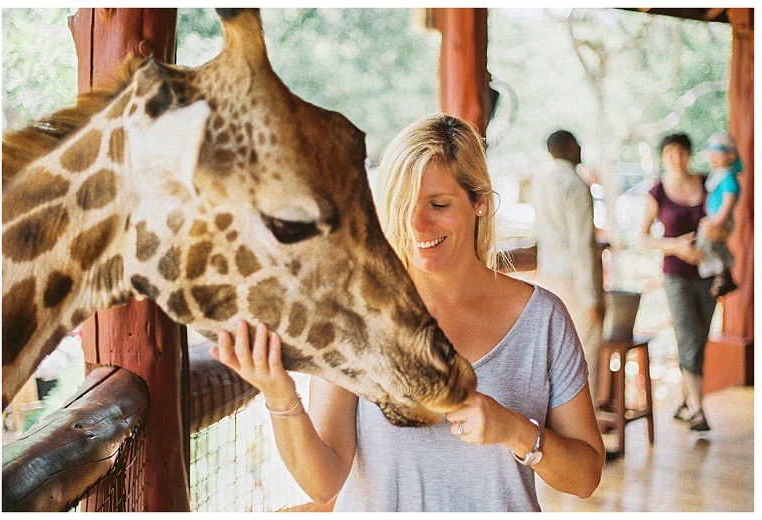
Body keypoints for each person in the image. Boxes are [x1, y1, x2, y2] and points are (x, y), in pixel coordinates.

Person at [211, 114, 605, 511]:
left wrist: (515, 430)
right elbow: (323, 482)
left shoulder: (542, 320)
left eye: (438, 204)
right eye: (403, 205)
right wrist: (280, 395)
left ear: (480, 201)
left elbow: (586, 477)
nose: (417, 224)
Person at [639, 133, 722, 432]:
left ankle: (687, 400)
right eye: (670, 152)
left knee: (700, 337)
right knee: (688, 336)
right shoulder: (657, 192)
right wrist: (675, 246)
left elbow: (726, 225)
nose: (676, 157)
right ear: (664, 156)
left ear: (689, 154)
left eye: (681, 151)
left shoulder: (707, 181)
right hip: (676, 275)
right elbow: (642, 238)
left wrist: (717, 234)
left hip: (709, 272)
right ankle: (699, 410)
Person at [531, 130, 604, 405]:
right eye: (578, 144)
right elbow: (582, 244)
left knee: (554, 356)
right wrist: (591, 297)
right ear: (570, 147)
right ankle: (588, 427)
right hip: (575, 281)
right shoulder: (575, 184)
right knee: (584, 353)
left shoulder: (540, 182)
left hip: (549, 277)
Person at [694, 132, 741, 298]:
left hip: (720, 219)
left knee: (707, 244)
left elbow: (728, 201)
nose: (712, 158)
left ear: (730, 155)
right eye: (711, 155)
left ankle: (722, 273)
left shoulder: (728, 178)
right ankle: (722, 273)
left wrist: (718, 222)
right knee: (712, 245)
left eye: (717, 154)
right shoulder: (717, 176)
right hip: (714, 217)